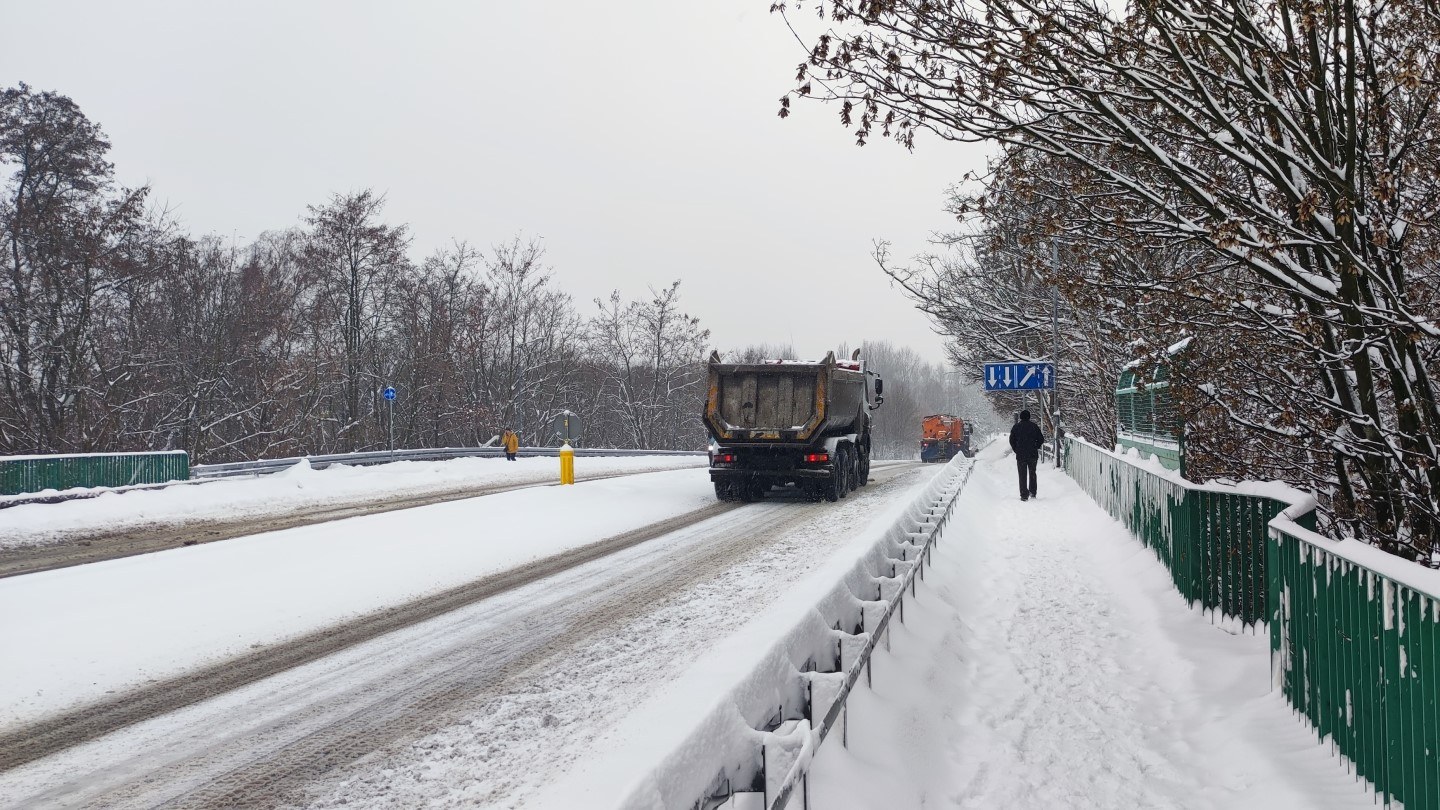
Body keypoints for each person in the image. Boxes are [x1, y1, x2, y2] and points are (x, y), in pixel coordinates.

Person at [1008, 409, 1045, 501]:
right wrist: (1035, 446)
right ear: (1029, 417)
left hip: (1021, 455)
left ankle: (1024, 494)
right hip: (1032, 454)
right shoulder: (1034, 426)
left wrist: (1016, 449)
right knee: (1032, 473)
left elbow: (1012, 440)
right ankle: (1033, 492)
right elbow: (1041, 439)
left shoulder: (1016, 427)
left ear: (1020, 417)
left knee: (1022, 474)